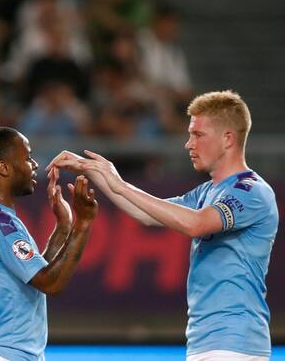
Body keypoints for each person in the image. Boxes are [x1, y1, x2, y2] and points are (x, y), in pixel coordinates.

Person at [47, 90, 278, 361]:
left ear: (228, 138)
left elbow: (196, 224)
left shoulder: (251, 191)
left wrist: (118, 183)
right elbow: (147, 214)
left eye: (198, 135)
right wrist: (96, 172)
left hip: (235, 343)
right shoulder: (206, 192)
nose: (188, 144)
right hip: (208, 342)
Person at [0, 126, 98, 360]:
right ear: (4, 167)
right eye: (27, 158)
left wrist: (64, 226)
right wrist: (83, 223)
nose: (35, 165)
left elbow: (36, 276)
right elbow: (50, 283)